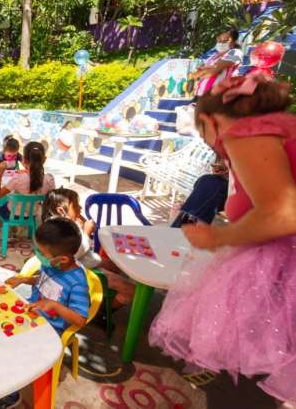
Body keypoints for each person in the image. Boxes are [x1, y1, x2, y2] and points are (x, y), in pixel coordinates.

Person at [148, 72, 296, 404]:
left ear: (209, 121)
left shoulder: (244, 134)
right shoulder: (277, 130)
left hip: (279, 274)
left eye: (203, 133)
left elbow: (284, 213)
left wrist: (217, 237)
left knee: (248, 376)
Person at [42, 188, 134, 307]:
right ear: (60, 211)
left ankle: (102, 297)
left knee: (117, 266)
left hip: (88, 261)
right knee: (130, 290)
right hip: (77, 272)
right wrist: (85, 232)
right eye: (75, 206)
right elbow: (71, 256)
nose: (80, 208)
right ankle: (102, 312)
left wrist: (79, 228)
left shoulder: (65, 222)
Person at [5, 217, 89, 335]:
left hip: (50, 329)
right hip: (29, 312)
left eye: (41, 253)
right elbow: (45, 282)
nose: (36, 254)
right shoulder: (52, 264)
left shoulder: (77, 281)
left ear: (63, 259)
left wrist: (54, 305)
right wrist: (24, 279)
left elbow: (80, 320)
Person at [0, 141, 55, 220]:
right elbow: (50, 202)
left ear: (24, 160)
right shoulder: (50, 180)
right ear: (44, 159)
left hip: (13, 215)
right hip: (32, 215)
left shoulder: (18, 179)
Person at [170, 157, 229, 227]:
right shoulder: (225, 185)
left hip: (187, 212)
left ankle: (184, 218)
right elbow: (222, 206)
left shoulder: (205, 178)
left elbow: (195, 189)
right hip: (203, 217)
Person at [190, 29, 243, 98]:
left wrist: (207, 69)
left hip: (217, 97)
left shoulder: (235, 52)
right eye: (219, 40)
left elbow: (214, 72)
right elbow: (194, 74)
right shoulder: (213, 56)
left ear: (233, 42)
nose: (221, 43)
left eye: (225, 41)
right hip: (201, 96)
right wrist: (210, 69)